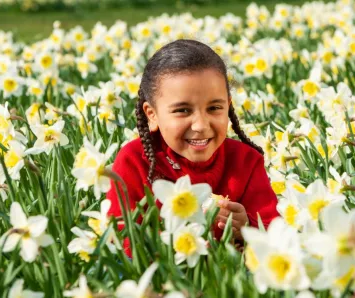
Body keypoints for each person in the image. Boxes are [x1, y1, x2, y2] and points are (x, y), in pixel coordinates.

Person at [106, 39, 279, 256]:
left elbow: (277, 235)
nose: (200, 125)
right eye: (182, 111)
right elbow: (121, 240)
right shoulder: (134, 161)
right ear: (152, 115)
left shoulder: (246, 161)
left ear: (228, 105)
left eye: (215, 108)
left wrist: (247, 226)